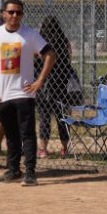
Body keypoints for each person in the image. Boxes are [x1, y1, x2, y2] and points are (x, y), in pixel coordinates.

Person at [0, 0, 53, 187]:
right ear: (3, 13)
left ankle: (30, 172)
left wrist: (39, 81)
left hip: (23, 93)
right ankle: (13, 170)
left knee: (27, 133)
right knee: (11, 134)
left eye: (18, 12)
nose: (14, 16)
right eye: (11, 12)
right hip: (2, 95)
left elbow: (50, 55)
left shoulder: (29, 34)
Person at [36, 14, 79, 158]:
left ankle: (43, 149)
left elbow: (36, 62)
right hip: (61, 81)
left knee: (44, 117)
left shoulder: (41, 42)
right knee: (62, 116)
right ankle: (64, 148)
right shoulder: (64, 41)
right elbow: (69, 60)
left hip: (44, 82)